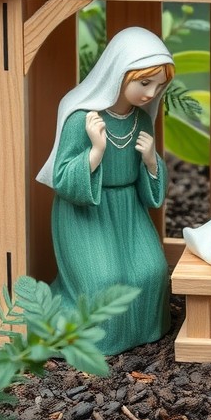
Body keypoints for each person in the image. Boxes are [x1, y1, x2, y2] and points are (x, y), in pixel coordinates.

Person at [36, 27, 174, 355]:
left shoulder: (141, 120)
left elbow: (152, 191)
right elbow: (63, 177)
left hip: (127, 210)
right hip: (86, 213)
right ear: (118, 73)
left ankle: (144, 331)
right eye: (144, 83)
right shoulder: (81, 118)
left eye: (159, 86)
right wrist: (95, 152)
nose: (151, 93)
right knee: (104, 283)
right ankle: (99, 343)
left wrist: (151, 161)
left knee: (151, 270)